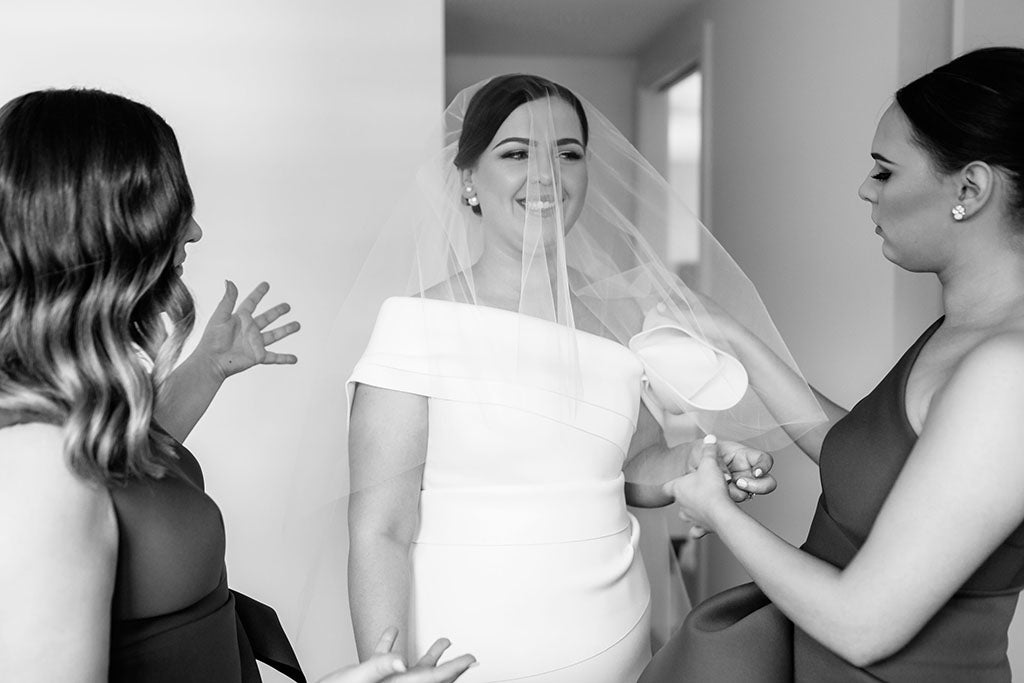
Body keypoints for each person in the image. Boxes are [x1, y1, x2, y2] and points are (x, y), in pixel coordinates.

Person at [331, 74, 824, 682]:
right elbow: (380, 527)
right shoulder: (417, 326)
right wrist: (387, 670)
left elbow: (634, 465)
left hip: (615, 638)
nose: (547, 175)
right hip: (464, 648)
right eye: (516, 153)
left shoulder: (616, 325)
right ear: (467, 180)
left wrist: (700, 460)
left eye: (568, 153)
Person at [0, 88, 473, 683]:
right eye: (170, 206)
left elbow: (133, 477)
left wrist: (207, 368)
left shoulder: (71, 415)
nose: (194, 231)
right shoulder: (33, 467)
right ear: (91, 232)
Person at [642, 46, 1024, 683]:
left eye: (885, 171)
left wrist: (719, 514)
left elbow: (864, 625)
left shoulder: (1008, 371)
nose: (864, 189)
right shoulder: (964, 330)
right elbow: (863, 458)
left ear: (969, 188)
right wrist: (733, 336)